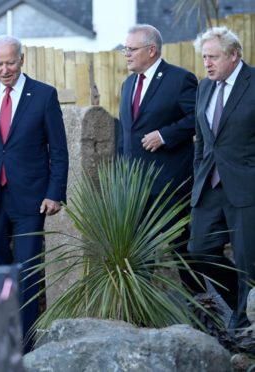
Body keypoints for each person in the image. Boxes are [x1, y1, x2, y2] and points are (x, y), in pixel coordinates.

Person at [0, 35, 69, 352]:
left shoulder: (44, 95)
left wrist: (55, 193)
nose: (5, 69)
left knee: (26, 271)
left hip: (32, 199)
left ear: (21, 59)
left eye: (10, 62)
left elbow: (59, 151)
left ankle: (23, 343)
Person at [117, 24, 198, 291]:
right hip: (134, 192)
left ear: (151, 50)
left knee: (183, 256)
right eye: (124, 49)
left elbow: (198, 119)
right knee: (139, 260)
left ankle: (205, 316)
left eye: (131, 49)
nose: (126, 54)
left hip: (169, 188)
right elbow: (126, 135)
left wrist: (164, 135)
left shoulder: (180, 79)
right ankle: (141, 322)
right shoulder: (128, 84)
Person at [189, 26, 255, 330]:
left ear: (234, 55)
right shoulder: (205, 87)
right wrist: (198, 177)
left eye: (213, 57)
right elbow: (202, 141)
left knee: (247, 262)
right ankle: (241, 307)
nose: (207, 63)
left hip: (246, 187)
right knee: (199, 250)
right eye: (204, 57)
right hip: (210, 187)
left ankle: (244, 324)